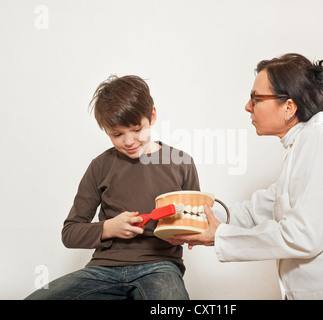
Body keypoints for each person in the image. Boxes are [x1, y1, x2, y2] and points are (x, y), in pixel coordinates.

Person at [172, 53, 323, 300]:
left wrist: (219, 236)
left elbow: (303, 235)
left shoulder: (322, 142)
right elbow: (254, 212)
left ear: (289, 107)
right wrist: (191, 215)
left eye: (256, 98)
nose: (247, 106)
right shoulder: (303, 149)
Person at [25, 75, 200, 300]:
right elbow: (70, 233)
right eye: (117, 134)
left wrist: (189, 231)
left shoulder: (181, 163)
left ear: (152, 116)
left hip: (160, 267)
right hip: (103, 269)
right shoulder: (100, 166)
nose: (128, 141)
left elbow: (195, 223)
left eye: (137, 129)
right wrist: (109, 228)